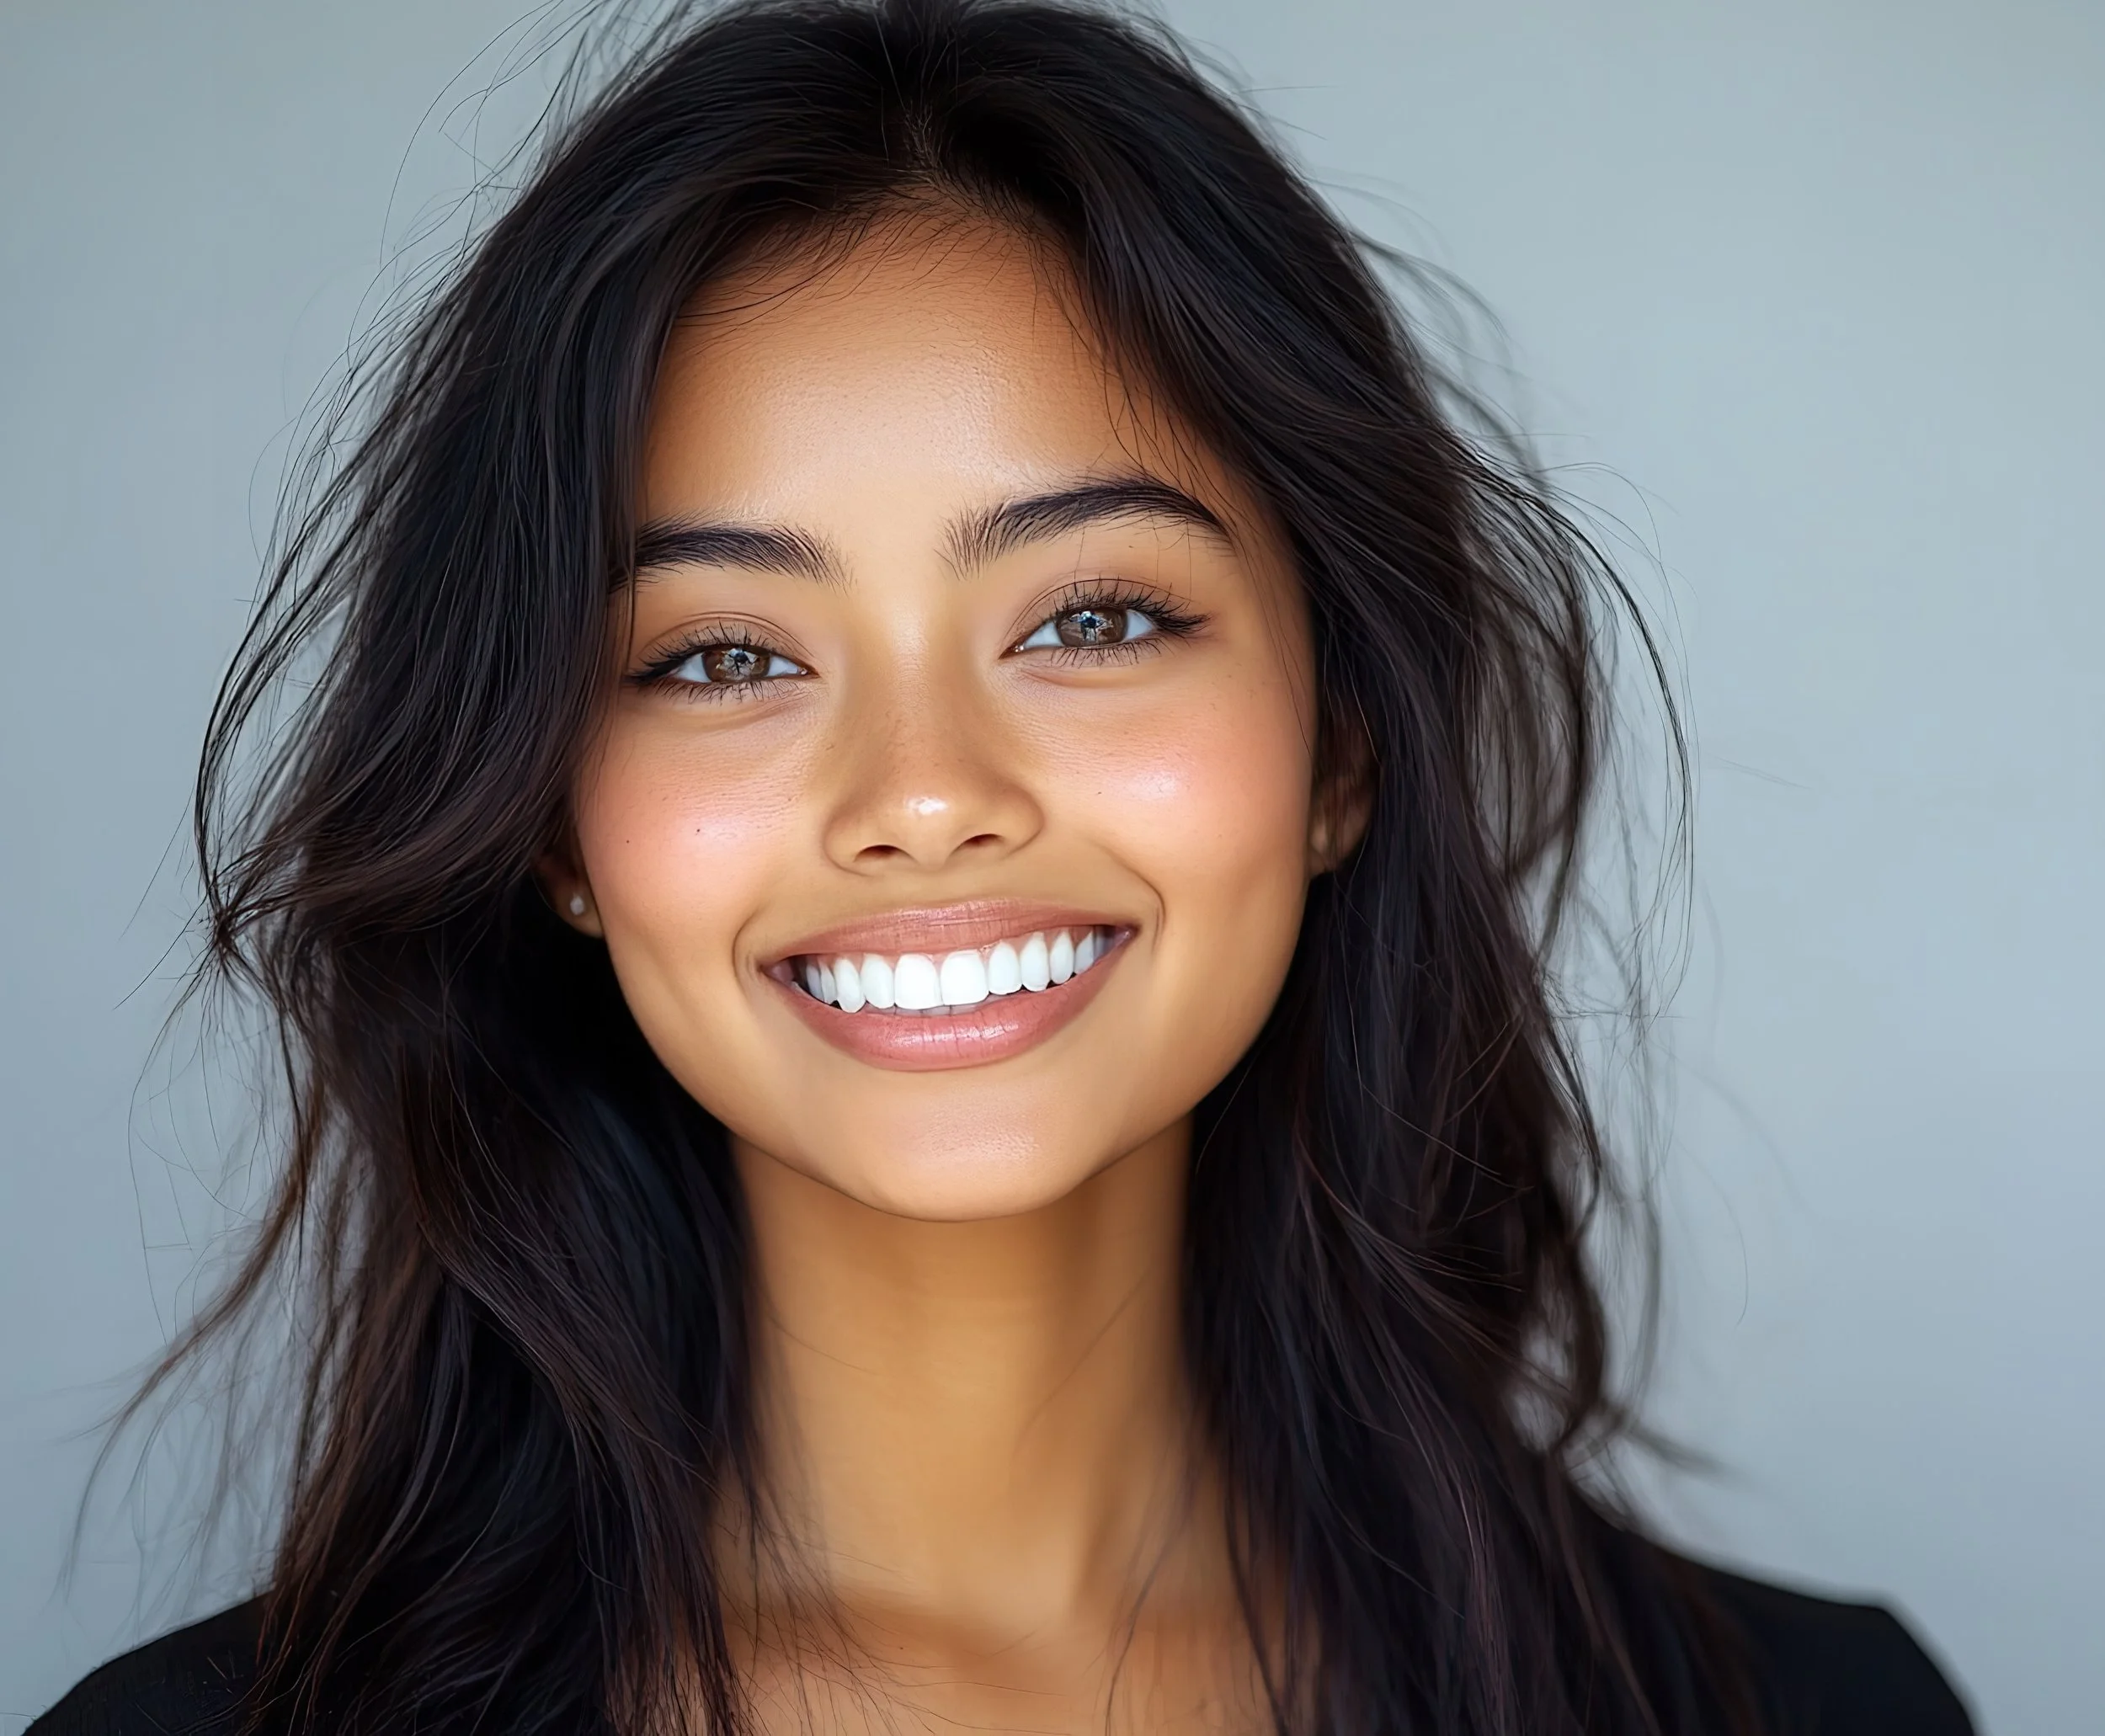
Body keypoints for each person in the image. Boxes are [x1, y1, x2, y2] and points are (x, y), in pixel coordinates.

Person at [31, 2, 1975, 1732]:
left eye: (1097, 617)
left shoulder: (1810, 1706)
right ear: (548, 820)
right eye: (721, 654)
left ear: (1342, 742)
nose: (927, 790)